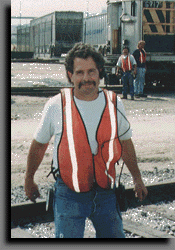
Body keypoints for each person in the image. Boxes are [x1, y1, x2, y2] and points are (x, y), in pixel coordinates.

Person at [25, 43, 148, 238]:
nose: (86, 78)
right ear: (70, 75)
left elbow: (126, 143)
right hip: (68, 193)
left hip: (106, 192)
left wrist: (137, 178)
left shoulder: (115, 104)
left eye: (91, 71)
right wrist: (29, 179)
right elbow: (39, 146)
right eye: (79, 72)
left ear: (100, 72)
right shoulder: (55, 106)